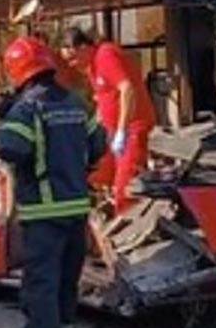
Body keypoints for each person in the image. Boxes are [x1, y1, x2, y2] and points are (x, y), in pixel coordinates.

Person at [0, 36, 107, 328]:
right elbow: (98, 144)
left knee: (40, 284)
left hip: (43, 210)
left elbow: (10, 147)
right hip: (75, 207)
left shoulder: (28, 108)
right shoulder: (74, 103)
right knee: (66, 280)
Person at [60, 29, 155, 213]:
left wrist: (122, 131)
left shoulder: (106, 56)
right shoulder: (92, 67)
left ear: (83, 48)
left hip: (132, 130)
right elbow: (103, 98)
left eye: (72, 58)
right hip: (113, 132)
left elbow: (127, 90)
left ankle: (130, 229)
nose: (72, 65)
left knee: (125, 188)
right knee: (97, 178)